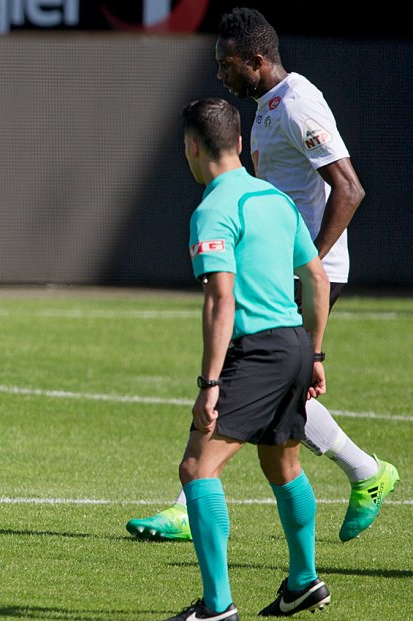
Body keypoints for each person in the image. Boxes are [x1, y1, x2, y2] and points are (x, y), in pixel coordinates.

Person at [128, 6, 398, 544]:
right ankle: (365, 473)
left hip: (307, 270)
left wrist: (311, 260)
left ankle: (190, 499)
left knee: (251, 372)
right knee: (281, 387)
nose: (220, 74)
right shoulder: (268, 106)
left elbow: (349, 187)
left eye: (226, 64)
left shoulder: (298, 103)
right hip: (285, 266)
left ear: (256, 60)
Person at [164, 97, 331, 621]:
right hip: (295, 344)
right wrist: (316, 352)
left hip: (256, 351)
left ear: (192, 146)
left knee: (197, 468)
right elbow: (318, 279)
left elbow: (221, 300)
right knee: (281, 463)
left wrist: (208, 383)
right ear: (238, 143)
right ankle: (303, 582)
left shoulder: (213, 208)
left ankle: (216, 609)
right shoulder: (277, 200)